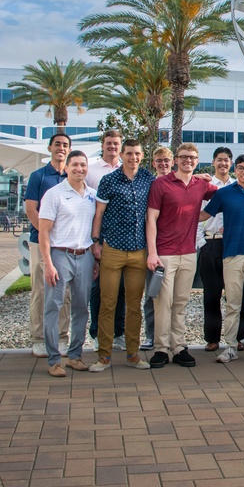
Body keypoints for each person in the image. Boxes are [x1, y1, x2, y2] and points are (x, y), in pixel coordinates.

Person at [146, 143, 218, 367]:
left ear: (197, 162)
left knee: (180, 303)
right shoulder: (161, 184)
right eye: (184, 157)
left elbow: (233, 192)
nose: (188, 160)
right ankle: (160, 348)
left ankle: (178, 347)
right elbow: (151, 219)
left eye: (193, 157)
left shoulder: (201, 185)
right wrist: (152, 253)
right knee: (162, 303)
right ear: (176, 159)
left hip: (189, 252)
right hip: (164, 253)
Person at [88, 139, 155, 373]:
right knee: (108, 303)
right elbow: (98, 214)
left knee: (134, 305)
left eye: (137, 153)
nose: (133, 158)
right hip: (113, 249)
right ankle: (104, 355)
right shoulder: (109, 180)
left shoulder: (149, 179)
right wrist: (96, 242)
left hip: (138, 251)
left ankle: (132, 354)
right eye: (129, 153)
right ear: (122, 155)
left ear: (142, 155)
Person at [201, 153, 244, 364]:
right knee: (232, 303)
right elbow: (203, 215)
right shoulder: (224, 193)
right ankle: (230, 346)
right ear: (235, 170)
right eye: (240, 167)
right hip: (231, 255)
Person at [36, 150, 97, 377]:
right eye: (75, 165)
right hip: (60, 254)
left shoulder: (92, 195)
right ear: (67, 168)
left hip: (85, 254)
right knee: (54, 306)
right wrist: (48, 263)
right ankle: (54, 360)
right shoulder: (54, 194)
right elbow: (44, 232)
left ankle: (75, 356)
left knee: (81, 308)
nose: (79, 169)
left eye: (83, 165)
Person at [25, 133, 72, 358]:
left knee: (65, 293)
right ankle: (38, 337)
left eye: (65, 145)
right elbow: (31, 209)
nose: (61, 148)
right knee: (41, 291)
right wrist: (47, 238)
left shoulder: (74, 176)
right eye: (57, 145)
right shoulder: (39, 176)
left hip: (66, 246)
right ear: (49, 148)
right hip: (41, 243)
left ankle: (62, 336)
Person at [197, 147, 244, 352]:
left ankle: (238, 337)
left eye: (227, 160)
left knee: (236, 294)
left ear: (232, 164)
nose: (223, 163)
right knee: (211, 293)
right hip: (211, 242)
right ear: (213, 162)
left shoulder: (239, 186)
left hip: (233, 243)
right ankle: (212, 338)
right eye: (219, 160)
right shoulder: (204, 186)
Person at [86, 130, 126, 351]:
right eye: (109, 143)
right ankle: (97, 333)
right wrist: (95, 240)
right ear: (103, 145)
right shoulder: (91, 171)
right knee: (99, 287)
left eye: (116, 144)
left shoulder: (126, 169)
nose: (112, 147)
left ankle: (118, 333)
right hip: (100, 235)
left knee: (121, 288)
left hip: (124, 237)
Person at [140, 145, 174, 350]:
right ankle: (151, 335)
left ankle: (171, 336)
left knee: (174, 297)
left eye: (166, 161)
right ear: (154, 163)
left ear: (172, 163)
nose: (163, 164)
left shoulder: (179, 182)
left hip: (174, 247)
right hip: (153, 246)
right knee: (152, 292)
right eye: (159, 161)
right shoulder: (149, 184)